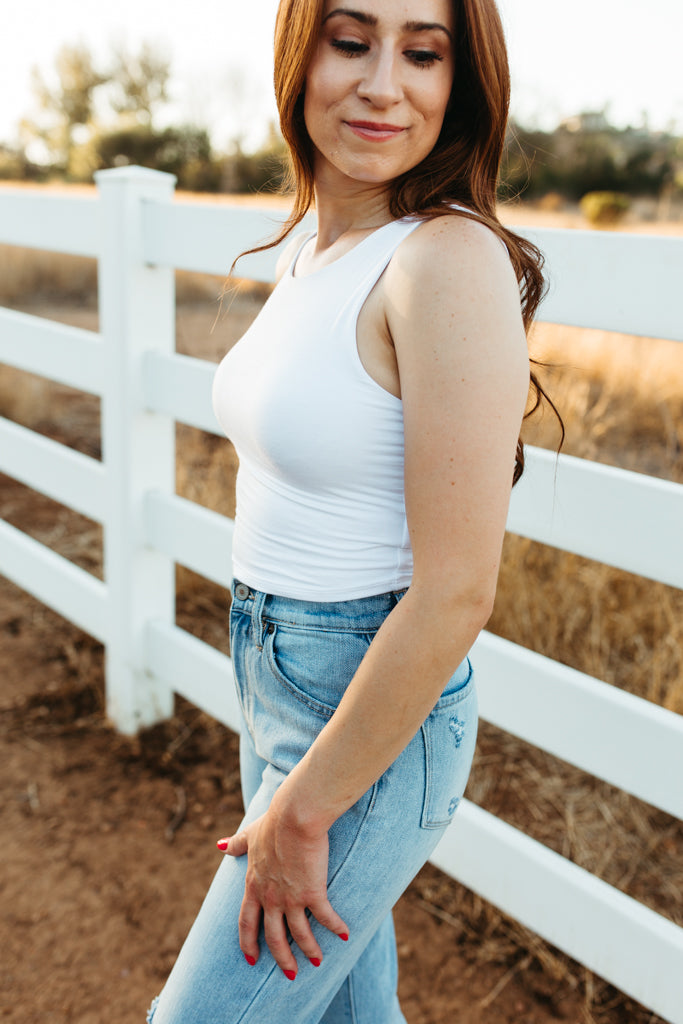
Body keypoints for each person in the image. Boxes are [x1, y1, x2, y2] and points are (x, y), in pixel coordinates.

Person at [147, 1, 558, 1021]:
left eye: (423, 54)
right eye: (349, 41)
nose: (384, 83)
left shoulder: (442, 260)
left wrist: (308, 807)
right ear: (300, 53)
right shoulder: (319, 250)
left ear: (457, 85)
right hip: (277, 674)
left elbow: (457, 591)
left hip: (366, 710)